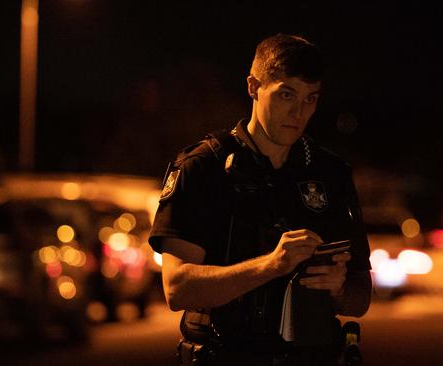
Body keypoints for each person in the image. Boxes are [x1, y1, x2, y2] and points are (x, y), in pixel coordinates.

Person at [148, 33, 371, 366]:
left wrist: (337, 287)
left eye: (311, 99)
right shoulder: (203, 168)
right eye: (286, 95)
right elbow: (177, 288)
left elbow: (360, 298)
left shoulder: (330, 174)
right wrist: (270, 266)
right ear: (253, 87)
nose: (299, 112)